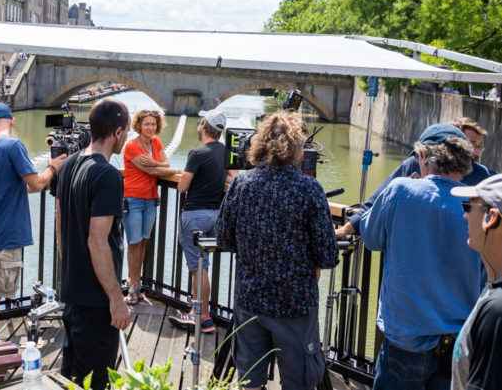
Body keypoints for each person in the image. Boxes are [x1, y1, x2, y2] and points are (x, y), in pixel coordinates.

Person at [216, 111, 338, 390]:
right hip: (294, 304)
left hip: (250, 299)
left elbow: (224, 238)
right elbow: (328, 254)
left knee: (249, 381)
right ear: (296, 147)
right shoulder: (308, 188)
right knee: (299, 382)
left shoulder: (241, 183)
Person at [360, 135, 484, 390]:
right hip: (458, 343)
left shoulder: (401, 190)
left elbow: (371, 238)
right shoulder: (478, 208)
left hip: (408, 339)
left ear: (424, 158)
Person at [55, 99, 131, 390]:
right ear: (118, 132)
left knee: (71, 375)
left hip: (73, 291)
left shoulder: (71, 162)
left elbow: (60, 224)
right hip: (97, 300)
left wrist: (71, 268)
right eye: (127, 133)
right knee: (94, 381)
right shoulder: (108, 175)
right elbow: (97, 240)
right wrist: (116, 299)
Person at [0, 103, 64, 346]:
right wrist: (52, 168)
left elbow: (13, 188)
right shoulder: (14, 145)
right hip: (7, 233)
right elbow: (36, 184)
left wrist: (40, 179)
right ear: (12, 121)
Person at [335, 120, 495, 239]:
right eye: (472, 144)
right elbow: (373, 203)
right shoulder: (411, 166)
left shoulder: (484, 176)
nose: (475, 152)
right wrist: (343, 231)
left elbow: (373, 237)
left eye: (478, 146)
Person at [167, 109, 238, 333]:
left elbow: (182, 187)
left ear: (204, 125)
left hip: (194, 215)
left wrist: (188, 173)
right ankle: (199, 312)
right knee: (202, 266)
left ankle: (202, 316)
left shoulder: (197, 153)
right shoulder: (226, 152)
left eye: (200, 122)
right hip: (216, 215)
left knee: (199, 268)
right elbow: (235, 178)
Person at [122, 109, 181, 305]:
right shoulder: (131, 146)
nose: (150, 127)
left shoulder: (155, 142)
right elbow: (151, 170)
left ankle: (138, 283)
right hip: (133, 199)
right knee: (134, 243)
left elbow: (162, 164)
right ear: (138, 125)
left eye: (153, 124)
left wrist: (158, 163)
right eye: (146, 124)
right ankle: (132, 286)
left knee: (144, 242)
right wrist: (174, 170)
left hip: (151, 199)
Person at [451, 174, 502, 390]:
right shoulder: (492, 287)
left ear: (490, 218)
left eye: (468, 206)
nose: (464, 215)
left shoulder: (497, 310)